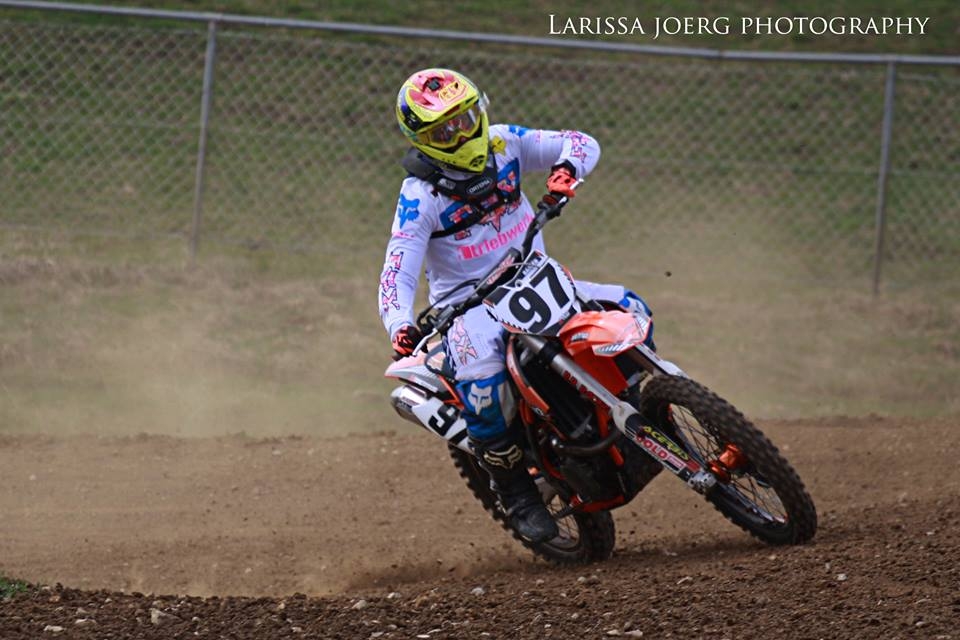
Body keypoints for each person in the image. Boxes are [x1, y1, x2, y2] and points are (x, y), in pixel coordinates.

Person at [378, 68, 653, 543]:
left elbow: (580, 142)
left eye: (466, 120)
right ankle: (516, 493)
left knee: (628, 304)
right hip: (468, 307)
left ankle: (643, 399)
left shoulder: (505, 143)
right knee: (484, 391)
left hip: (535, 275)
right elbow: (396, 271)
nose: (461, 135)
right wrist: (399, 325)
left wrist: (567, 170)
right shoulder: (419, 198)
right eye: (445, 131)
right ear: (423, 141)